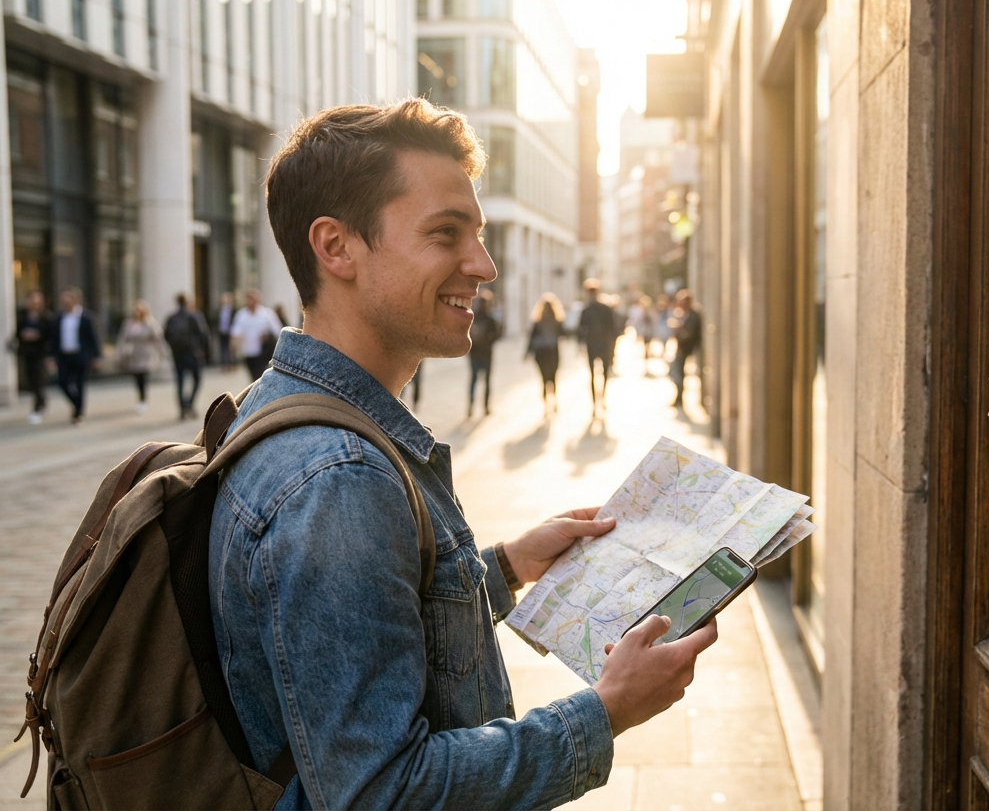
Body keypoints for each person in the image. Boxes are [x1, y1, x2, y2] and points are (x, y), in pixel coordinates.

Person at [210, 99, 716, 809]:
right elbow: (381, 793)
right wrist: (605, 713)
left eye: (476, 234)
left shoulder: (285, 406)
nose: (483, 264)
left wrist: (506, 567)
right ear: (336, 247)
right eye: (445, 233)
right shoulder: (338, 479)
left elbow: (358, 628)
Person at [49, 287, 101, 425]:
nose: (65, 301)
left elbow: (93, 338)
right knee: (62, 382)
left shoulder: (86, 317)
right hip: (64, 356)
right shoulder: (59, 318)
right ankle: (76, 404)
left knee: (79, 384)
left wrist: (97, 356)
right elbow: (54, 339)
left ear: (75, 299)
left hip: (80, 355)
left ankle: (79, 413)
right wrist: (51, 356)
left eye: (68, 298)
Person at [164, 293, 211, 419]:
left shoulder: (172, 318)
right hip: (192, 353)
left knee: (180, 381)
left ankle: (182, 409)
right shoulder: (193, 316)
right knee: (197, 379)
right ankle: (189, 404)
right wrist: (202, 349)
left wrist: (173, 348)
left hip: (177, 354)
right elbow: (203, 334)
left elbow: (166, 335)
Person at [115, 300, 165, 414]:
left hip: (146, 353)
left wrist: (162, 352)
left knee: (143, 376)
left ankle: (143, 399)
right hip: (134, 354)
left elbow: (158, 339)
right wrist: (119, 353)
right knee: (137, 377)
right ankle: (140, 397)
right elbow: (122, 339)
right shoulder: (129, 323)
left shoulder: (150, 323)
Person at [11, 291, 53, 424]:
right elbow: (16, 333)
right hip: (27, 353)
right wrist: (23, 335)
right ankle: (41, 400)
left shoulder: (45, 317)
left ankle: (38, 406)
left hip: (40, 354)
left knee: (38, 379)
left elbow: (50, 336)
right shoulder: (22, 316)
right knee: (30, 380)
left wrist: (38, 335)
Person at [577, 278, 618, 412]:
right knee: (594, 374)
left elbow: (612, 329)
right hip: (596, 344)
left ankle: (600, 399)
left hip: (600, 344)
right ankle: (596, 401)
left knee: (601, 373)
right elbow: (581, 329)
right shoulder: (588, 310)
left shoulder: (598, 309)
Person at [230, 289, 283, 381]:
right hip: (248, 352)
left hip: (263, 352)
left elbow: (277, 330)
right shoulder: (241, 315)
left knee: (260, 376)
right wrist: (233, 346)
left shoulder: (266, 314)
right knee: (253, 378)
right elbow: (236, 332)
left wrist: (267, 336)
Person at [526, 293, 565, 414]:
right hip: (551, 351)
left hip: (541, 352)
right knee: (552, 377)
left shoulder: (539, 321)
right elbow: (563, 334)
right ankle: (552, 401)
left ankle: (547, 403)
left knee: (544, 378)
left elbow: (531, 338)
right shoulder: (556, 321)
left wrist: (527, 352)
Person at [466, 289, 501, 416]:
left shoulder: (472, 317)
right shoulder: (489, 319)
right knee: (486, 382)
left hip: (474, 353)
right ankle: (485, 407)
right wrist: (488, 341)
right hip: (486, 354)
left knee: (473, 380)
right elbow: (497, 334)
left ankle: (470, 407)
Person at [668, 289, 703, 409]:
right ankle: (678, 397)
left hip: (687, 348)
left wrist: (678, 328)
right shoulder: (684, 314)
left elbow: (689, 334)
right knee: (676, 372)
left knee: (679, 373)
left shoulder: (693, 316)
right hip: (682, 348)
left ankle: (680, 397)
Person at [216, 292, 236, 370]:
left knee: (231, 349)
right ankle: (224, 364)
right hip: (222, 332)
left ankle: (232, 364)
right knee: (223, 349)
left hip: (230, 332)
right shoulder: (220, 310)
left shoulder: (233, 310)